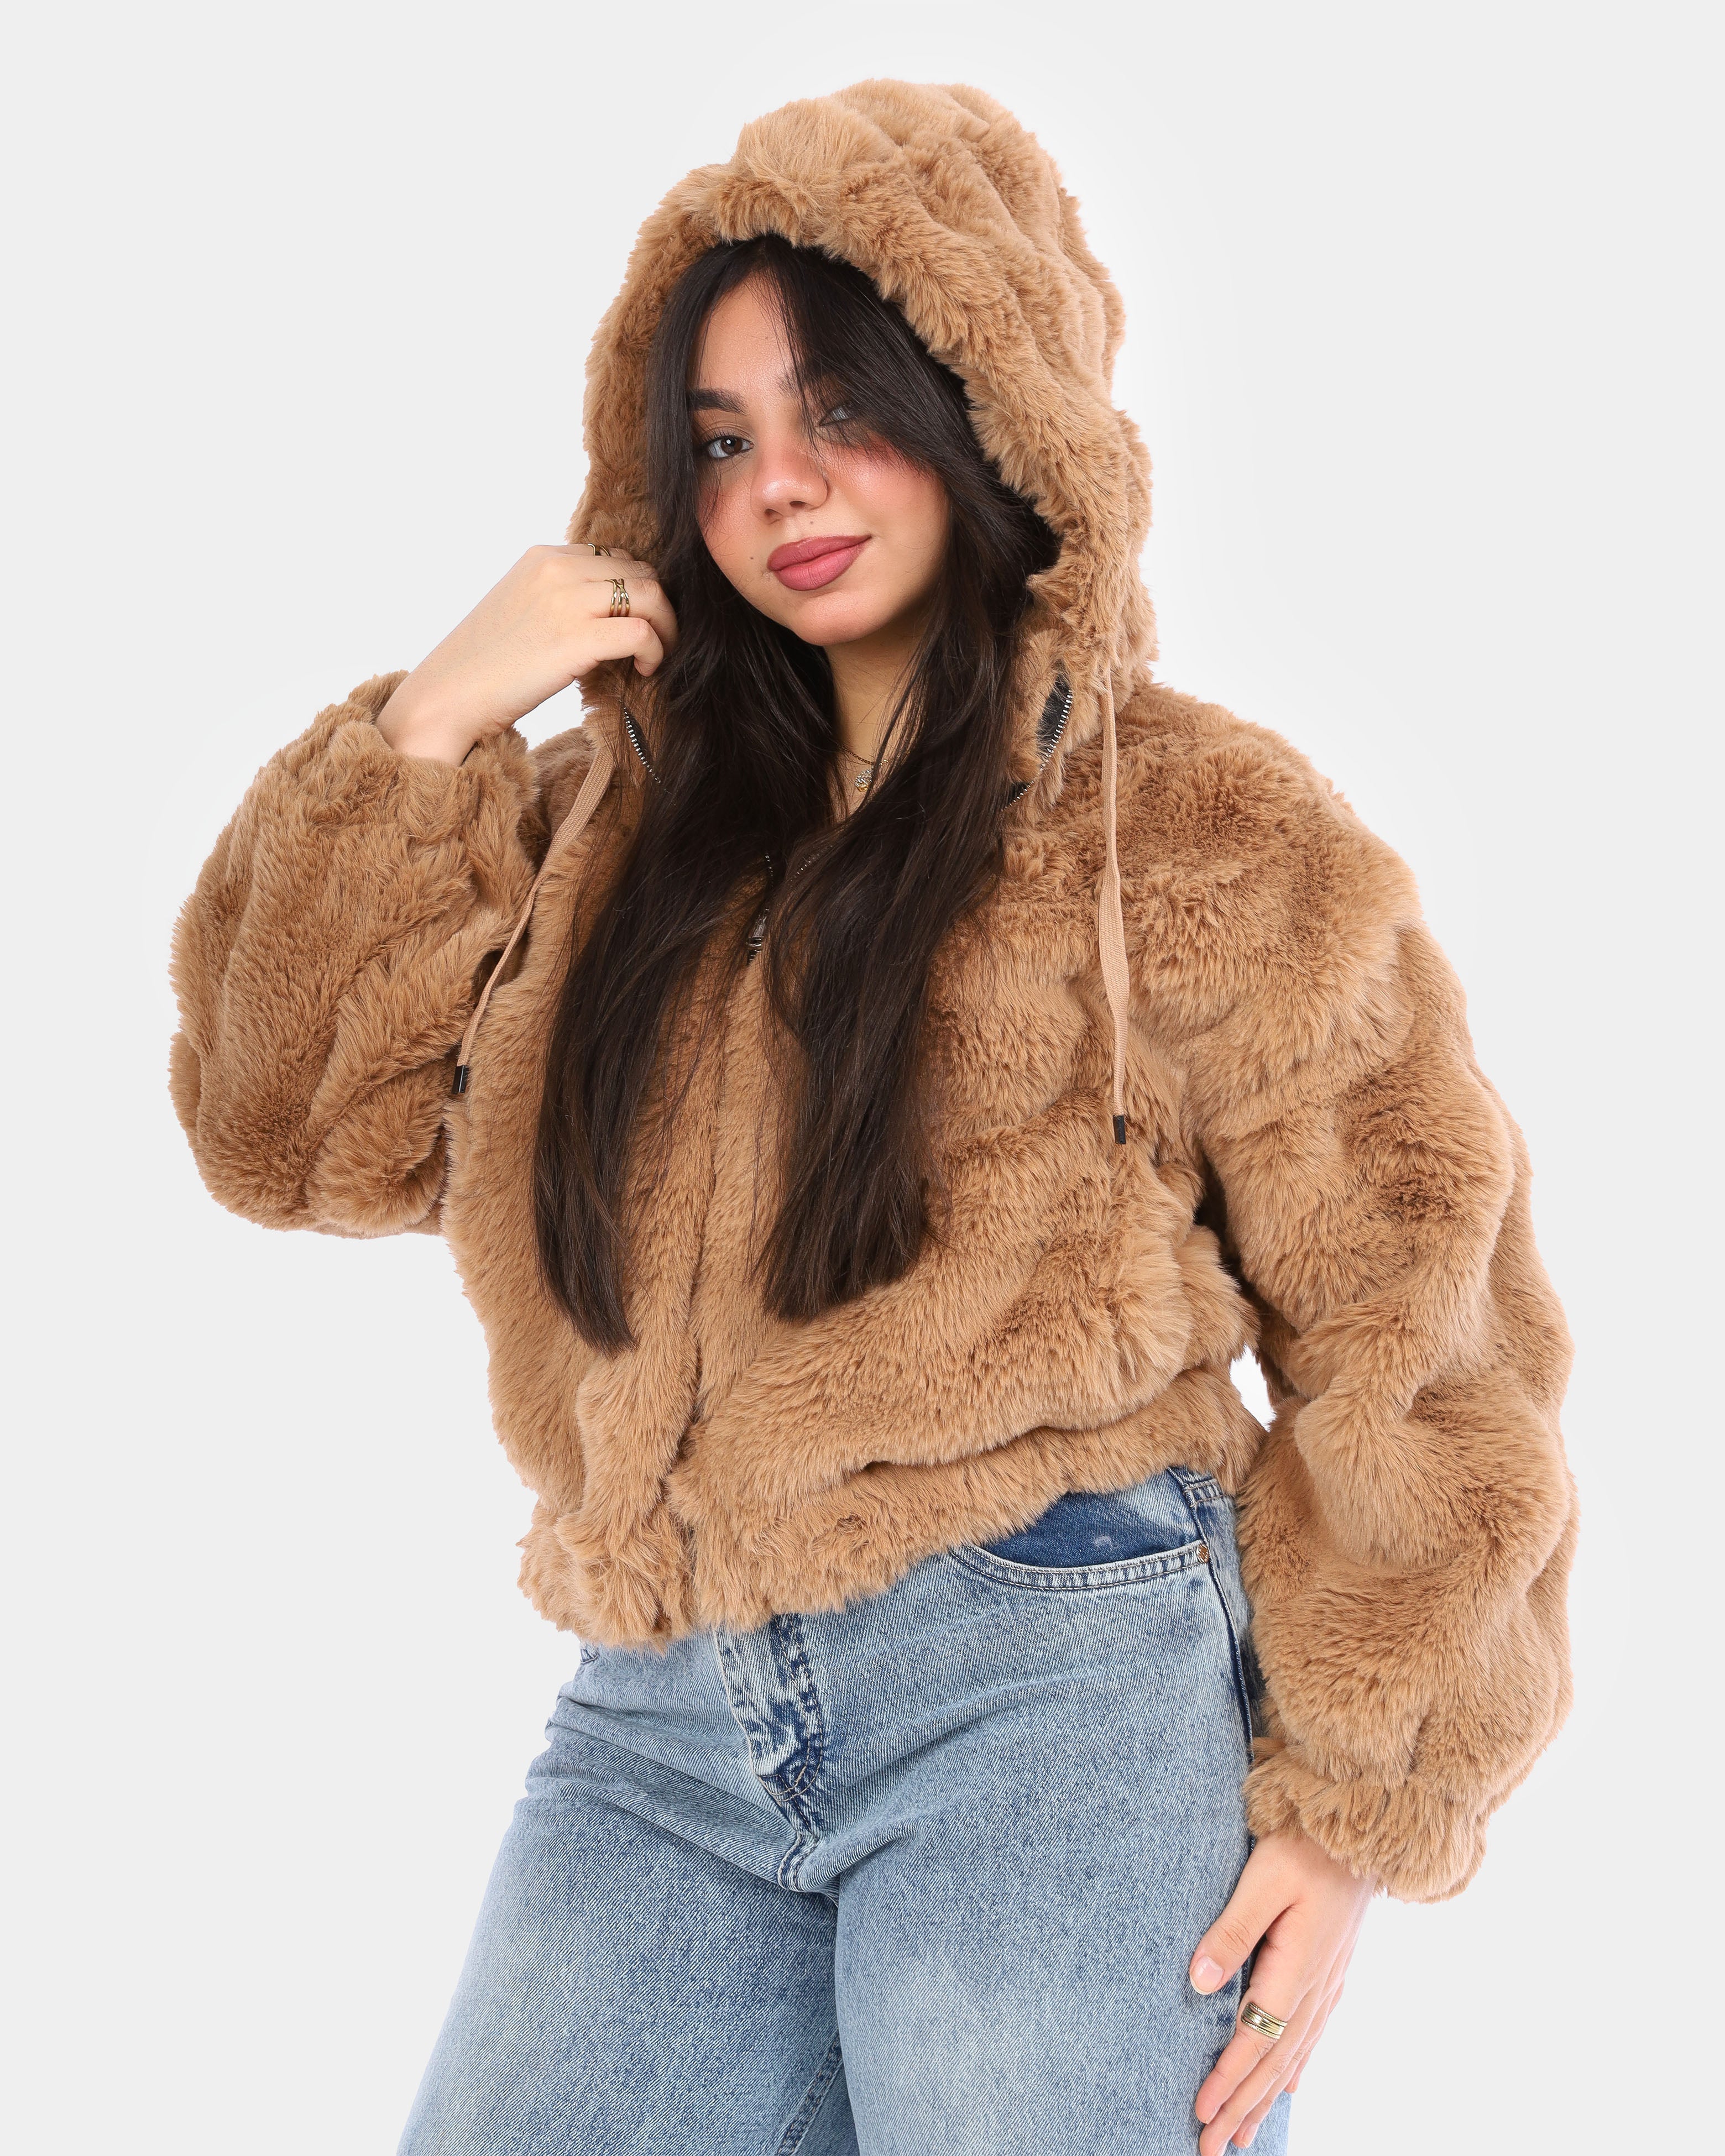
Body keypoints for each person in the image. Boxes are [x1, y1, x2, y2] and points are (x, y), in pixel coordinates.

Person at [168, 80, 1575, 2156]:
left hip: (1058, 1690)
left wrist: (1358, 1801)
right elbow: (284, 1136)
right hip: (660, 1710)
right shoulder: (603, 838)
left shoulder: (1194, 825)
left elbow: (1420, 1310)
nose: (783, 487)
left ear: (990, 407)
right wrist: (438, 718)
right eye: (721, 439)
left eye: (842, 408)